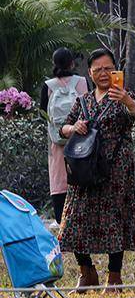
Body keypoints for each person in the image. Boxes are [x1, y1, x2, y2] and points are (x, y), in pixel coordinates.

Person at [59, 47, 135, 291]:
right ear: (90, 73)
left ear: (116, 70)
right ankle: (87, 273)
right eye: (98, 70)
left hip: (116, 169)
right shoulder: (82, 101)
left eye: (108, 68)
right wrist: (74, 128)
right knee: (74, 220)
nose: (103, 73)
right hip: (84, 168)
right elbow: (62, 129)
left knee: (115, 218)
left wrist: (127, 100)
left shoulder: (123, 96)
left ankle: (114, 277)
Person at [40, 48, 87, 225]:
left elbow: (43, 113)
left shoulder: (48, 85)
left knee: (59, 179)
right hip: (81, 139)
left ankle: (62, 220)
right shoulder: (82, 82)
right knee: (82, 175)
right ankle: (82, 219)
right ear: (72, 63)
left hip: (56, 142)